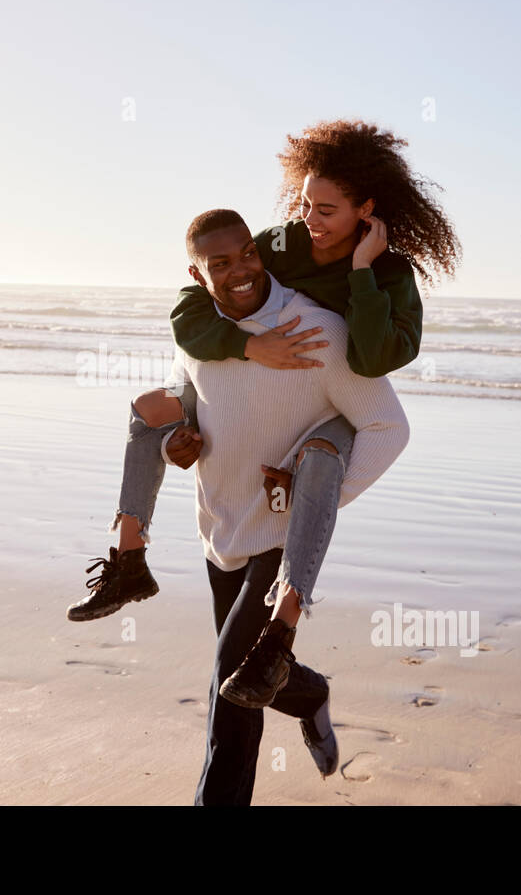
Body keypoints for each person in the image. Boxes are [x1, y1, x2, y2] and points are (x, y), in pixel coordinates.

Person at [67, 120, 461, 700]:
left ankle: (284, 634)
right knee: (147, 410)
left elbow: (376, 358)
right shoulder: (281, 245)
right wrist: (247, 351)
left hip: (338, 402)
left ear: (367, 210)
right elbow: (196, 300)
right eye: (305, 204)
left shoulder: (389, 273)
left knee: (322, 458)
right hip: (260, 426)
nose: (310, 220)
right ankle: (129, 558)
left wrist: (360, 273)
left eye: (327, 210)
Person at [158, 209, 409, 803]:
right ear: (196, 273)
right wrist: (176, 442)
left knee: (229, 694)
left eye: (247, 252)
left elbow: (387, 426)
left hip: (277, 540)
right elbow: (183, 396)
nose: (241, 270)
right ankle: (307, 692)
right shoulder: (199, 329)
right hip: (220, 528)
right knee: (249, 682)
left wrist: (314, 512)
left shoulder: (315, 329)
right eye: (220, 263)